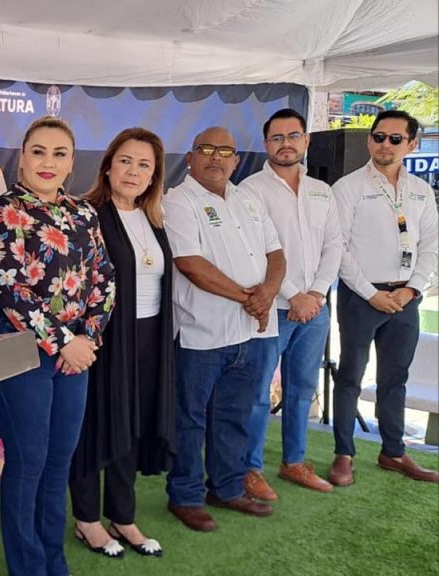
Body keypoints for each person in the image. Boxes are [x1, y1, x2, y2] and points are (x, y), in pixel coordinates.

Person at [0, 116, 115, 575]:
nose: (48, 162)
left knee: (59, 461)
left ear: (72, 162)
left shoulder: (83, 213)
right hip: (20, 349)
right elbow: (10, 287)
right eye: (38, 151)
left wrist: (86, 340)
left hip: (76, 354)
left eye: (59, 154)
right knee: (28, 461)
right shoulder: (4, 212)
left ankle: (53, 562)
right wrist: (62, 342)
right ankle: (27, 567)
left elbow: (104, 278)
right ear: (22, 158)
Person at [163, 126, 285, 532]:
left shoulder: (248, 199)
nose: (216, 157)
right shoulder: (178, 201)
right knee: (190, 419)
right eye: (206, 149)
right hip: (202, 333)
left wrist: (267, 293)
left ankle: (227, 488)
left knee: (233, 415)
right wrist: (251, 299)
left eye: (225, 151)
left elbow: (276, 253)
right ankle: (185, 495)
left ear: (236, 160)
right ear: (190, 157)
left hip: (250, 332)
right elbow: (191, 264)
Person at [68, 127, 174, 558]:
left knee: (131, 427)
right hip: (104, 339)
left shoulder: (154, 218)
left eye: (144, 165)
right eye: (126, 161)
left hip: (150, 337)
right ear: (108, 166)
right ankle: (87, 520)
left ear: (154, 175)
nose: (133, 171)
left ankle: (123, 516)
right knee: (96, 427)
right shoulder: (87, 214)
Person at [330, 110, 439, 486]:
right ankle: (344, 454)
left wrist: (412, 289)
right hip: (361, 297)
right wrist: (371, 293)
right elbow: (338, 247)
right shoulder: (347, 187)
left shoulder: (421, 191)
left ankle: (393, 452)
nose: (385, 145)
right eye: (378, 137)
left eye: (395, 139)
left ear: (412, 144)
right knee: (350, 377)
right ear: (369, 140)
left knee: (396, 378)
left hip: (406, 297)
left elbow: (431, 246)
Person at [239, 108, 342, 499]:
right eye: (277, 137)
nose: (286, 144)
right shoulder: (250, 190)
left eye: (293, 135)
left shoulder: (322, 191)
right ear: (266, 144)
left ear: (306, 140)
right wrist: (293, 294)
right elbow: (254, 251)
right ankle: (249, 469)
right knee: (258, 393)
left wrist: (315, 294)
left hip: (314, 309)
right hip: (271, 308)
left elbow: (334, 245)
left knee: (301, 389)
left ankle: (294, 462)